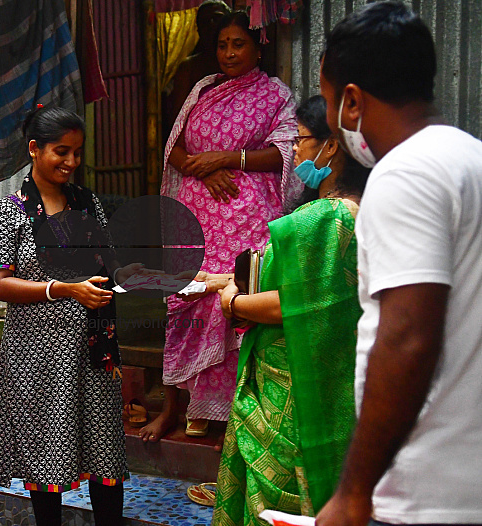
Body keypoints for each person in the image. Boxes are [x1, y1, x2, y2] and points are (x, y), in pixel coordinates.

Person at [314, 3, 482, 526]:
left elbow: (407, 336)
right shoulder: (470, 159)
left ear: (352, 101)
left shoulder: (404, 174)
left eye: (328, 102)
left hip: (426, 491)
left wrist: (354, 492)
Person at [200, 95, 369, 525]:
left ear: (331, 146)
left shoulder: (325, 218)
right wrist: (217, 280)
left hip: (292, 383)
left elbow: (292, 303)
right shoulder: (358, 210)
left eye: (301, 139)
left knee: (277, 501)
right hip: (333, 373)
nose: (294, 150)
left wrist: (233, 302)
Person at [142, 10, 301, 445]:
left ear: (258, 48)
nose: (229, 53)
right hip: (198, 216)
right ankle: (182, 406)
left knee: (237, 301)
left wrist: (228, 159)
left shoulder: (275, 94)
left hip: (247, 219)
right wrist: (206, 169)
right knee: (187, 300)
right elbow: (174, 148)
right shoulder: (203, 89)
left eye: (239, 44)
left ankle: (234, 408)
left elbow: (285, 152)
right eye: (223, 45)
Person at [0, 106, 128, 526]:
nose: (71, 162)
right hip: (37, 358)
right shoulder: (11, 211)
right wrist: (63, 289)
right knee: (45, 458)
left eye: (77, 152)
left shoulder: (88, 203)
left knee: (105, 455)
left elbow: (109, 264)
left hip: (92, 352)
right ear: (34, 149)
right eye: (61, 152)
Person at [163, 0, 231, 140]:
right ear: (198, 30)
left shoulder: (240, 61)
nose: (212, 25)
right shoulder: (189, 67)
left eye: (217, 18)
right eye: (205, 22)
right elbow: (178, 119)